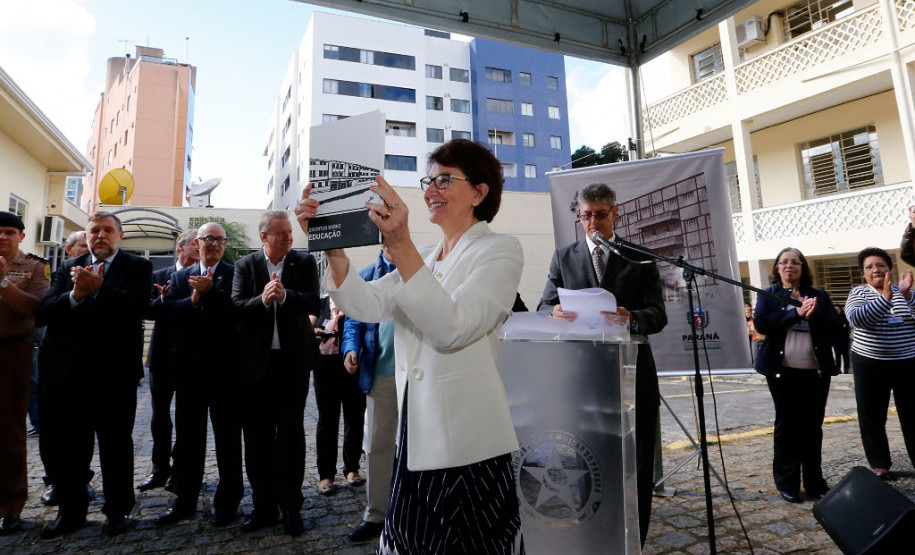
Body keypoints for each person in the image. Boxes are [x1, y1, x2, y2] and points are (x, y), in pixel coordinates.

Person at [296, 139, 524, 553]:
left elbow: (453, 328)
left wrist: (399, 244)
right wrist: (333, 247)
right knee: (407, 542)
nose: (429, 190)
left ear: (479, 191)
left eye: (443, 180)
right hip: (416, 436)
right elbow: (365, 303)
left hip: (467, 445)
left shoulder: (499, 251)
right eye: (428, 180)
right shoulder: (424, 255)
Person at [537, 182, 667, 546]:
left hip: (633, 371)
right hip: (582, 375)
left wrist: (632, 316)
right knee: (585, 457)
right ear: (578, 216)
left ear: (615, 212)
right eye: (586, 215)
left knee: (637, 459)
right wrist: (555, 312)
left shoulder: (639, 256)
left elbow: (658, 315)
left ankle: (634, 538)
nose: (593, 222)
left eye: (601, 214)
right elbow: (543, 306)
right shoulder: (564, 257)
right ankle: (592, 532)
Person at [38, 212, 152, 538]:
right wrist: (76, 295)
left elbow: (138, 308)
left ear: (120, 234)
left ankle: (118, 512)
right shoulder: (67, 267)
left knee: (116, 446)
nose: (100, 236)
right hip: (72, 376)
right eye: (94, 230)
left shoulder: (137, 267)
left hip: (116, 376)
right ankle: (70, 512)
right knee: (71, 446)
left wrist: (99, 289)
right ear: (85, 235)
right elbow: (45, 312)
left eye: (107, 230)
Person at [231, 210, 320, 537]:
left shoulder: (304, 263)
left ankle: (291, 507)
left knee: (291, 437)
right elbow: (236, 306)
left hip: (293, 365)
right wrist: (263, 300)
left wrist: (287, 296)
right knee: (256, 439)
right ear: (264, 237)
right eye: (281, 233)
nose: (289, 238)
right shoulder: (246, 266)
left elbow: (315, 303)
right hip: (255, 367)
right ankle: (263, 507)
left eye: (290, 233)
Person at [153, 223, 243, 526]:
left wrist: (212, 294)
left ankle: (228, 502)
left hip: (226, 371)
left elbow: (238, 314)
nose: (214, 244)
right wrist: (193, 300)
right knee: (188, 441)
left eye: (219, 239)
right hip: (189, 372)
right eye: (208, 239)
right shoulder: (179, 278)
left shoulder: (236, 275)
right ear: (197, 242)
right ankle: (185, 500)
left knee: (228, 440)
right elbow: (168, 315)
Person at [753, 247, 840, 503]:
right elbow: (762, 324)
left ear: (803, 268)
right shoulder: (768, 295)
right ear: (777, 268)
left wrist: (813, 316)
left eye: (796, 262)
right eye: (784, 262)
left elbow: (835, 328)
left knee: (812, 427)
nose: (790, 265)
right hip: (782, 371)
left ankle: (814, 482)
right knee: (787, 425)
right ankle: (787, 482)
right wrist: (795, 313)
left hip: (816, 371)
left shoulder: (819, 296)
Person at [341, 247, 397, 544]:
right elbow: (352, 320)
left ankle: (413, 509)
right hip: (380, 373)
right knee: (377, 445)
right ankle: (377, 515)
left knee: (420, 443)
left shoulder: (420, 269)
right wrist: (350, 349)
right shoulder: (365, 277)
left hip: (418, 375)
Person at [0, 212, 51, 535]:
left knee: (9, 433)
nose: (2, 237)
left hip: (11, 353)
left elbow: (36, 309)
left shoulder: (34, 267)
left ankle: (10, 506)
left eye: (8, 232)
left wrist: (3, 282)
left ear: (20, 236)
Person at [845, 247, 915, 480]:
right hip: (870, 363)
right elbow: (858, 319)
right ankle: (880, 464)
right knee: (872, 414)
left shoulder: (905, 292)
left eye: (880, 265)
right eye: (869, 267)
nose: (875, 270)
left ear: (890, 268)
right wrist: (886, 298)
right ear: (863, 273)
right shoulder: (858, 293)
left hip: (907, 362)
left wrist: (905, 296)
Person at [37, 230, 93, 507]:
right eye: (81, 246)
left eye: (88, 246)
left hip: (90, 364)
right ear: (70, 250)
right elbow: (44, 310)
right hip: (58, 364)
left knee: (81, 430)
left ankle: (81, 479)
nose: (86, 250)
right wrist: (76, 294)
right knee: (52, 427)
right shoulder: (63, 271)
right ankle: (55, 481)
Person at [140, 229, 199, 493]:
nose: (199, 250)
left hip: (190, 356)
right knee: (160, 417)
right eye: (195, 246)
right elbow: (147, 310)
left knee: (188, 418)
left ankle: (182, 470)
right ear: (180, 247)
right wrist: (163, 297)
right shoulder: (157, 276)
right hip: (162, 355)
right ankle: (159, 469)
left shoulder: (202, 277)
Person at [312, 296, 366, 496]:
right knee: (327, 420)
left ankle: (352, 468)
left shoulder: (354, 303)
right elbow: (308, 326)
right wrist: (314, 333)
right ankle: (326, 475)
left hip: (351, 367)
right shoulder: (321, 304)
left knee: (355, 417)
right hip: (324, 367)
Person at [834, 306, 851, 373]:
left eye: (837, 309)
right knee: (837, 354)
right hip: (836, 339)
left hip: (844, 339)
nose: (836, 311)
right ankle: (838, 368)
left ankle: (846, 368)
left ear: (841, 310)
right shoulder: (833, 317)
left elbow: (844, 327)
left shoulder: (845, 317)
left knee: (845, 354)